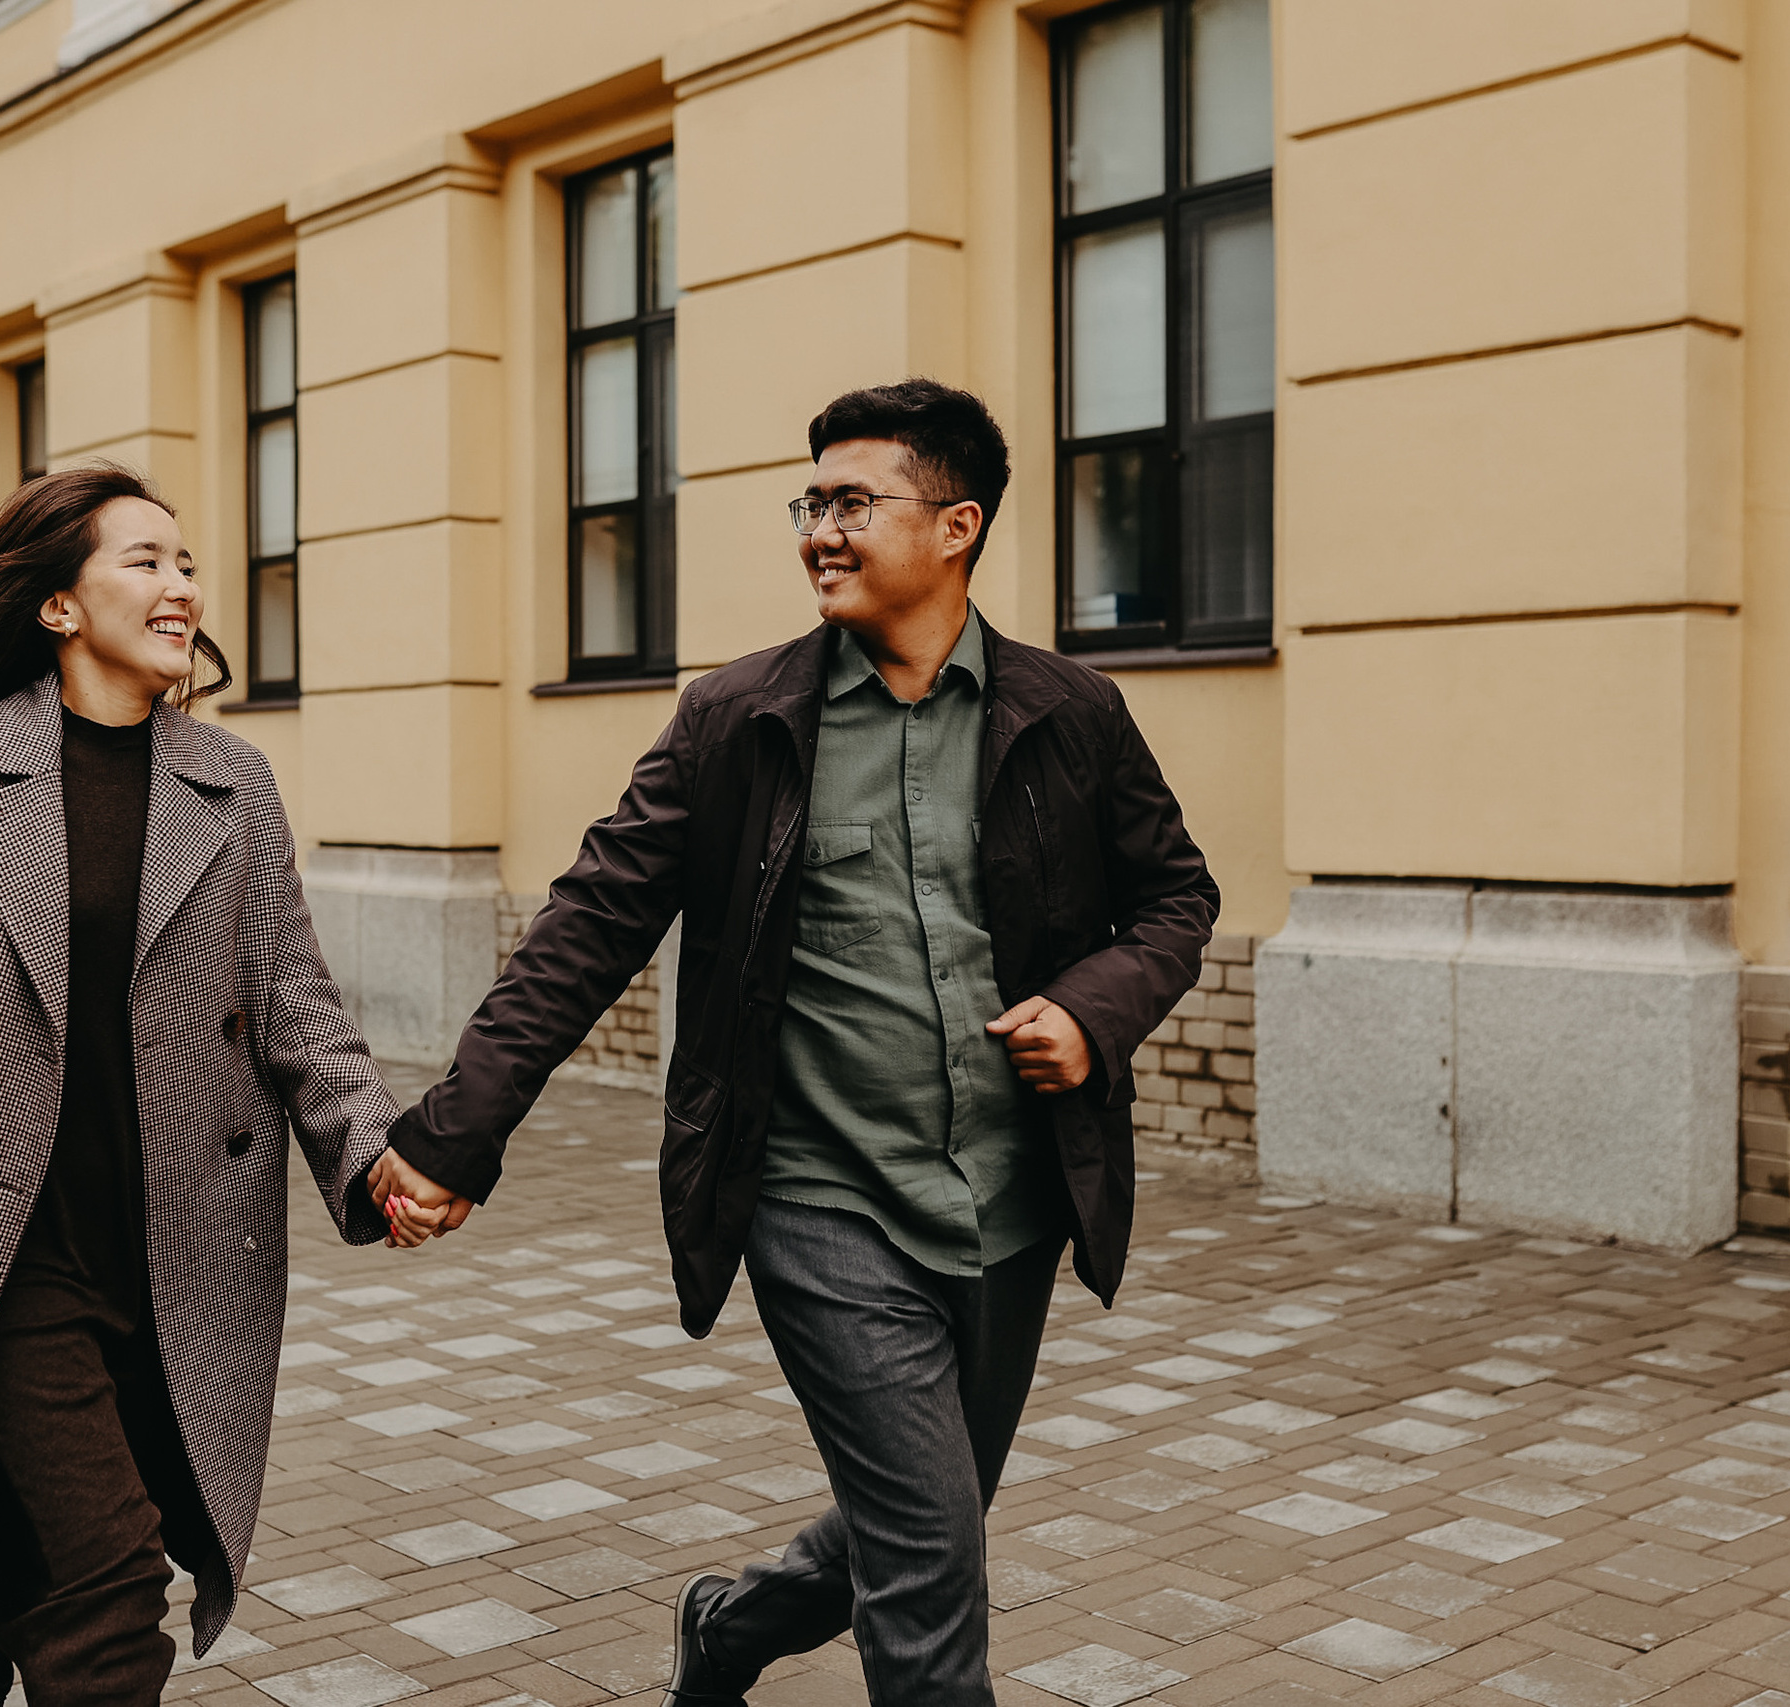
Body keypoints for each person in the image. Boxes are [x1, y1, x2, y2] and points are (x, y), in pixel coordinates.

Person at [382, 379, 1219, 1705]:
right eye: (810, 502)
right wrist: (452, 1130)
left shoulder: (1072, 712)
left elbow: (1177, 896)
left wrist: (1096, 1006)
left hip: (1007, 1203)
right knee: (935, 1566)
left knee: (920, 1517)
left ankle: (733, 1622)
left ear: (956, 525)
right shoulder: (739, 720)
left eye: (851, 501)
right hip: (818, 1194)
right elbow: (590, 925)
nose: (819, 528)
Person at [0, 464, 446, 1707]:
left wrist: (372, 1153)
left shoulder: (233, 782)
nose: (181, 587)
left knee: (107, 1528)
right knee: (110, 1598)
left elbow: (294, 1007)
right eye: (145, 561)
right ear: (58, 606)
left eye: (186, 563)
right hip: (2, 1254)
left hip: (175, 1254)